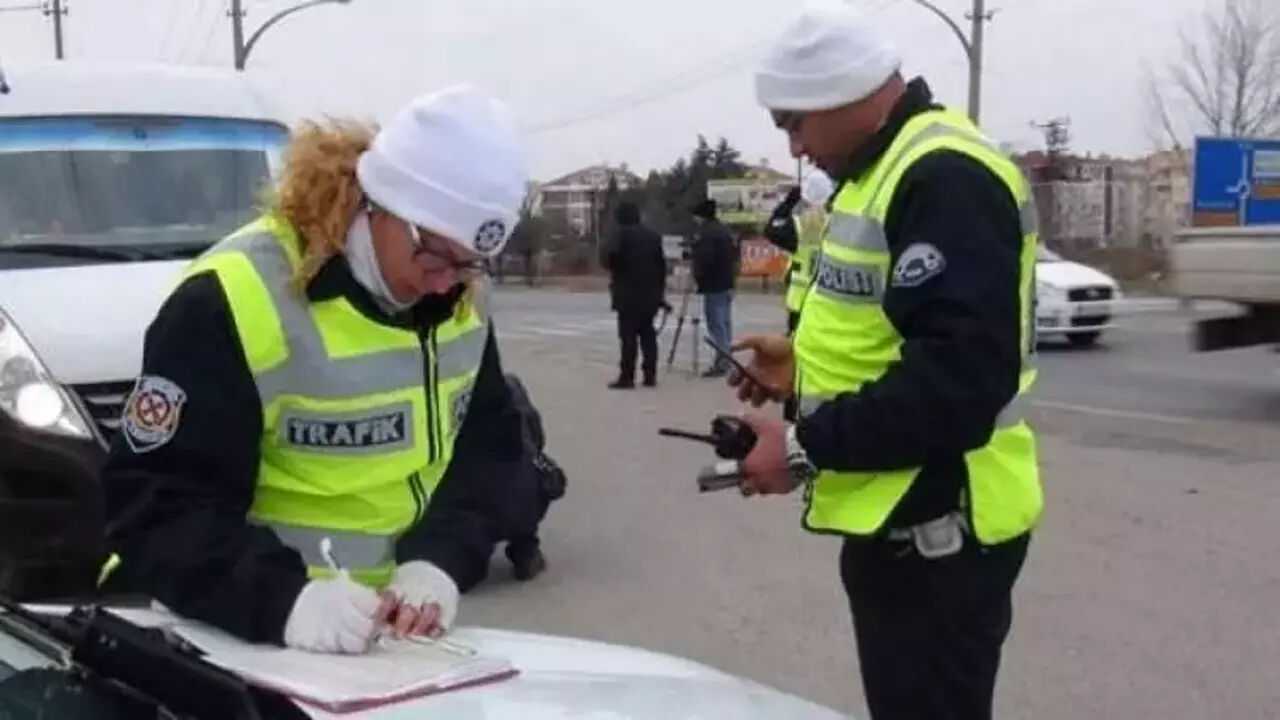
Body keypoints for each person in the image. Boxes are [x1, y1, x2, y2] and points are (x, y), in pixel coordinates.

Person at [97, 84, 532, 655]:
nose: (444, 283)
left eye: (470, 264)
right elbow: (156, 504)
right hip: (226, 628)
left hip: (381, 641)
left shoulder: (462, 296)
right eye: (433, 254)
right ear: (381, 202)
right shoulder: (235, 297)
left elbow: (491, 452)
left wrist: (440, 561)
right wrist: (286, 600)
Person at [727, 6, 1042, 720]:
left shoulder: (942, 175)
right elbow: (889, 337)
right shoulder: (881, 171)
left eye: (795, 123)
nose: (796, 148)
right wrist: (799, 373)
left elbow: (958, 380)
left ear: (847, 94)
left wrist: (803, 447)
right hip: (902, 521)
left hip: (943, 524)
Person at [411, 373, 567, 592]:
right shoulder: (509, 392)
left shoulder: (435, 404)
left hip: (463, 512)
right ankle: (525, 546)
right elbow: (538, 442)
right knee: (527, 479)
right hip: (517, 497)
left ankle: (463, 554)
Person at [600, 200, 667, 389]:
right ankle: (650, 375)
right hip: (650, 295)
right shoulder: (653, 237)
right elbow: (661, 267)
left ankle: (627, 376)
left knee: (628, 337)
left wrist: (613, 263)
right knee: (648, 335)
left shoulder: (620, 234)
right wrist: (660, 294)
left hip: (627, 294)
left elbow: (609, 258)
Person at [689, 198, 737, 378]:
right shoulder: (725, 231)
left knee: (716, 324)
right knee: (725, 323)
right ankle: (727, 357)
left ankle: (723, 361)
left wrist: (698, 276)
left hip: (713, 284)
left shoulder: (706, 234)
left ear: (701, 216)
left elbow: (705, 259)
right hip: (727, 282)